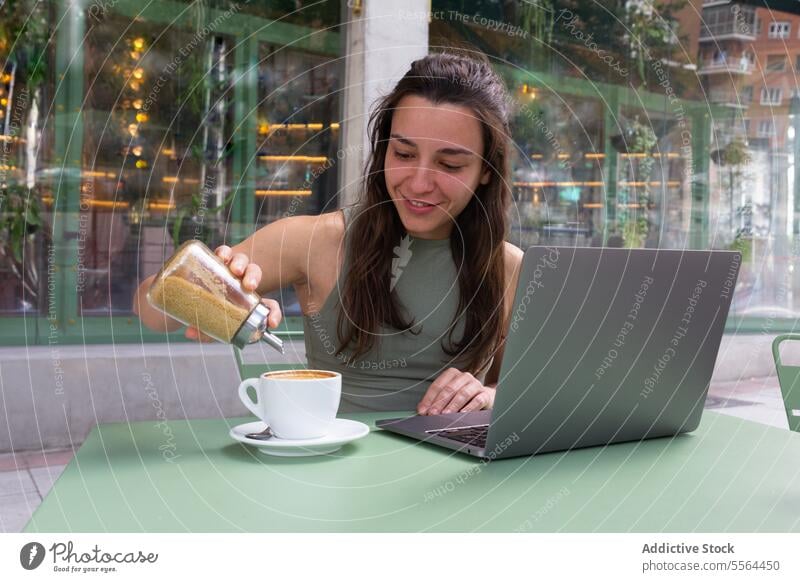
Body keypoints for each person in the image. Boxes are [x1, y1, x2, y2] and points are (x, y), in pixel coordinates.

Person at [134, 52, 523, 415]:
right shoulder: (316, 240)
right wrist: (205, 294)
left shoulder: (509, 267)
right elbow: (148, 307)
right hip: (326, 474)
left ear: (487, 169)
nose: (419, 183)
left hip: (454, 478)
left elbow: (527, 392)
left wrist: (490, 395)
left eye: (450, 164)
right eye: (403, 154)